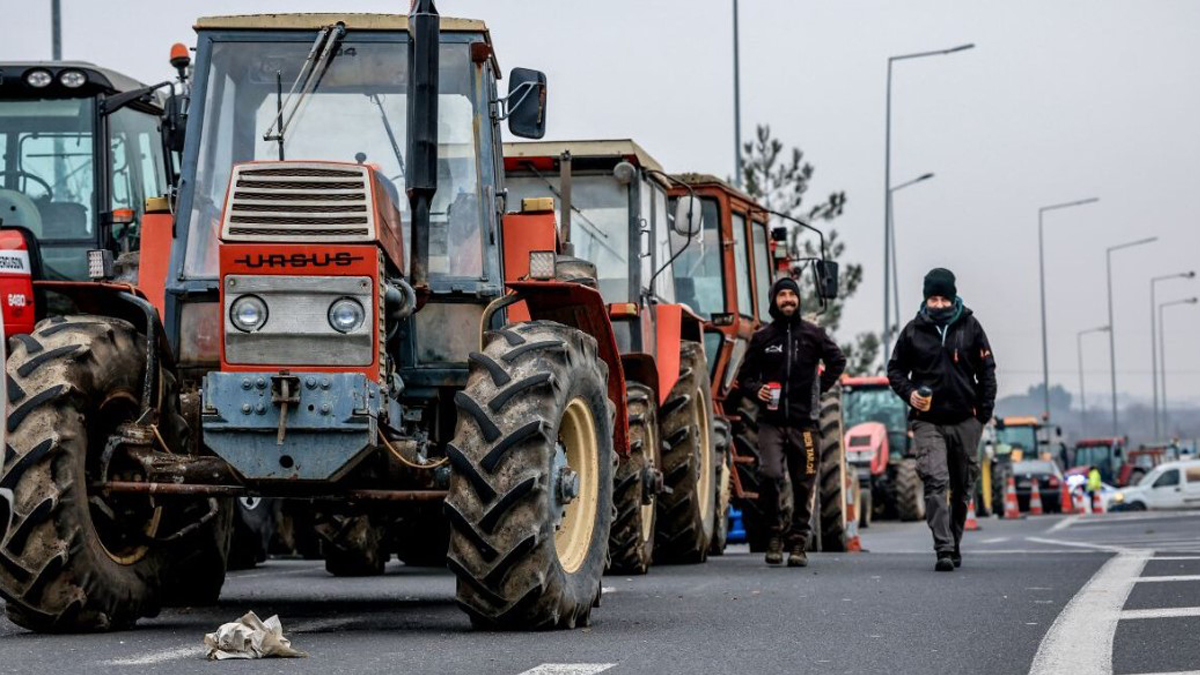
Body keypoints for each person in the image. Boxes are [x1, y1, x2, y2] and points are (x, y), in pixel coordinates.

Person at [888, 268, 996, 572]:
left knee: (962, 487)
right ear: (926, 299)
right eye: (932, 298)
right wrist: (910, 394)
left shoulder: (971, 327)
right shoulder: (913, 330)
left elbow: (987, 371)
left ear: (952, 297)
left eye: (942, 298)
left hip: (965, 419)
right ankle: (943, 548)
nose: (937, 304)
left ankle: (955, 541)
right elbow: (895, 371)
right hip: (927, 421)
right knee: (936, 480)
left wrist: (982, 415)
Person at [736, 277, 846, 567]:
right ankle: (774, 535)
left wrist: (819, 388)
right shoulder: (762, 338)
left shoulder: (814, 335)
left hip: (805, 425)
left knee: (804, 483)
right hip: (770, 423)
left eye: (792, 295)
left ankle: (798, 542)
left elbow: (838, 361)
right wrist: (755, 390)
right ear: (774, 301)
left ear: (798, 300)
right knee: (770, 475)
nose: (788, 299)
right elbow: (743, 379)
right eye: (782, 295)